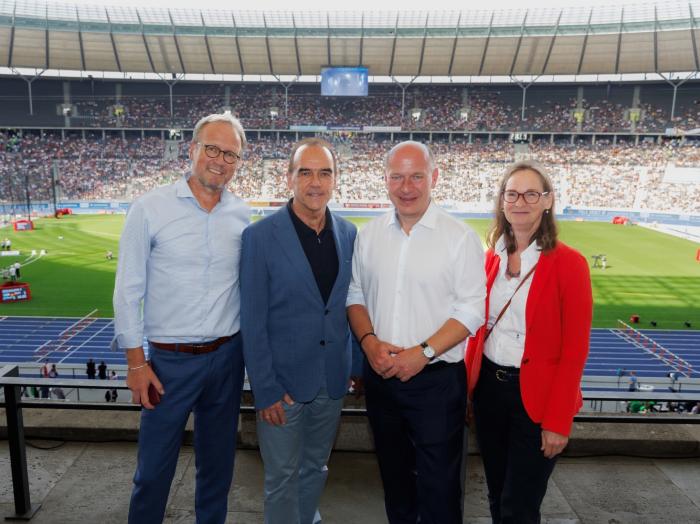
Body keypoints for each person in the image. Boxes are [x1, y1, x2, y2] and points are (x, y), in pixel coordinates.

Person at [113, 112, 249, 524]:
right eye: (212, 148)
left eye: (231, 153)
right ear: (192, 150)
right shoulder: (150, 208)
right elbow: (126, 291)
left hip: (227, 359)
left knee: (218, 469)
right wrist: (137, 363)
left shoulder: (242, 215)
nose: (220, 160)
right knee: (153, 473)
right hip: (168, 364)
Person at [346, 141, 486, 523]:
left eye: (416, 176)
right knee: (395, 483)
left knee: (440, 490)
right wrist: (369, 342)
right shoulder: (369, 235)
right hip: (382, 379)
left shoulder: (459, 237)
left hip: (437, 384)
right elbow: (355, 295)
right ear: (385, 180)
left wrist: (422, 353)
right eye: (397, 177)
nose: (406, 186)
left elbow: (472, 310)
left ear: (434, 178)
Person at [465, 160, 592, 524]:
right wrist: (470, 390)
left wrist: (558, 421)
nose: (520, 202)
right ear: (502, 202)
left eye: (531, 194)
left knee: (519, 506)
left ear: (548, 201)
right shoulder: (492, 259)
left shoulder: (570, 264)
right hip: (489, 391)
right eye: (512, 194)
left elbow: (574, 352)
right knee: (495, 494)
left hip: (537, 399)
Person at [241, 137, 359, 524]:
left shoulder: (348, 234)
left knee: (316, 469)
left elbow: (348, 306)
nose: (315, 182)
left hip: (330, 381)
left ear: (335, 179)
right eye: (305, 171)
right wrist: (266, 389)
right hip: (282, 388)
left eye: (324, 172)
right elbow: (253, 322)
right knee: (280, 477)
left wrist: (353, 367)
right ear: (288, 178)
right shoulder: (260, 237)